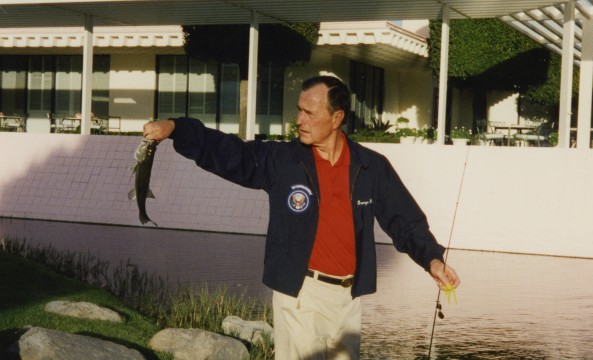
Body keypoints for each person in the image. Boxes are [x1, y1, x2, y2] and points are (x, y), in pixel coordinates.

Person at [143, 75, 460, 359]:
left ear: (336, 118)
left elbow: (405, 220)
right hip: (299, 293)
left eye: (310, 112)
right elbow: (228, 153)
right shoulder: (282, 161)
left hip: (349, 299)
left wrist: (431, 258)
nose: (300, 119)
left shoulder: (371, 167)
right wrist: (175, 128)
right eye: (299, 110)